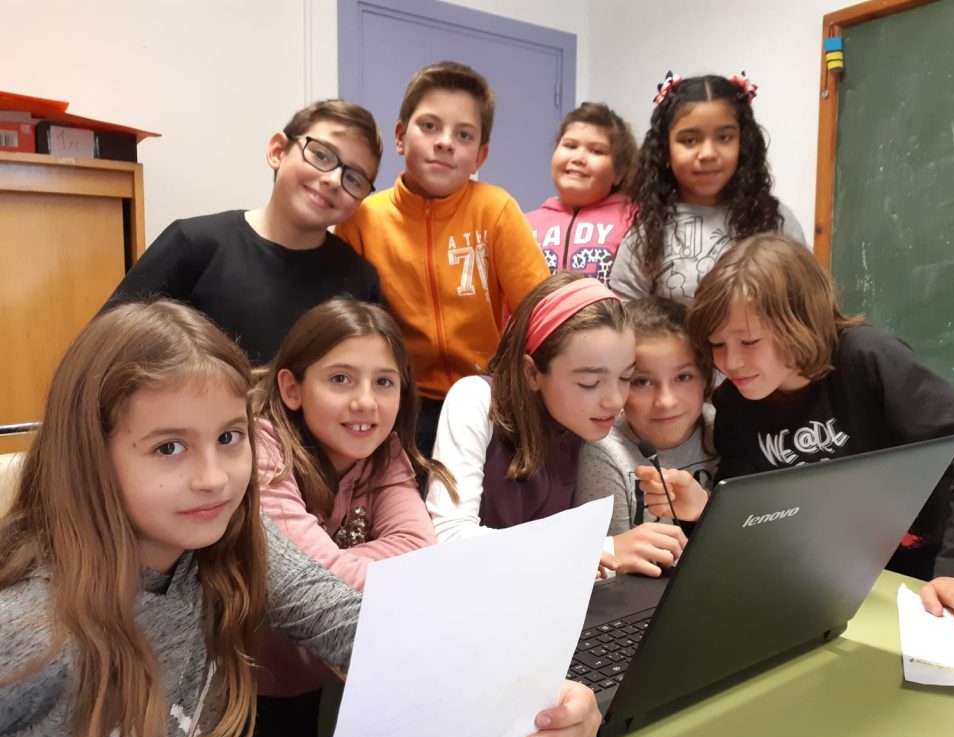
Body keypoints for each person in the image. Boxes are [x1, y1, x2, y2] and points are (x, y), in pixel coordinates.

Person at [0, 300, 603, 737]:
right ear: (90, 453)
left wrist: (539, 695)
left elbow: (356, 625)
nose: (214, 478)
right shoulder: (26, 629)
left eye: (229, 437)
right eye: (169, 447)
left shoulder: (239, 536)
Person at [670, 233, 954, 637]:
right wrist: (704, 512)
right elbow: (753, 510)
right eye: (716, 344)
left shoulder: (865, 358)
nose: (731, 361)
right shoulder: (734, 403)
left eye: (749, 341)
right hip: (859, 587)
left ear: (799, 323)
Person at [246, 297, 457, 737]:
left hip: (347, 677)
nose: (365, 401)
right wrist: (344, 563)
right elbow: (311, 583)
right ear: (292, 388)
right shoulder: (260, 448)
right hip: (253, 697)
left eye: (384, 382)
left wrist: (336, 562)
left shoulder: (385, 451)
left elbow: (421, 553)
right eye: (340, 379)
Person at [335, 61, 550, 456]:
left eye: (463, 134)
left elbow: (539, 311)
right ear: (400, 136)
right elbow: (347, 325)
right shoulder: (363, 219)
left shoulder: (496, 209)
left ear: (480, 155)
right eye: (430, 126)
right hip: (399, 400)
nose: (445, 142)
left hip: (487, 396)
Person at [426, 273, 706, 563]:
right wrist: (600, 549)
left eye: (626, 377)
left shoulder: (592, 423)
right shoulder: (476, 399)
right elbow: (449, 537)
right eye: (589, 383)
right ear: (532, 372)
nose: (615, 400)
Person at [104, 100, 384, 365]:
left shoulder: (360, 280)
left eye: (354, 178)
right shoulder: (193, 244)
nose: (333, 180)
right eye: (321, 155)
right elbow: (105, 348)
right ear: (278, 151)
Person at [609, 72, 804, 303]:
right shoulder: (647, 235)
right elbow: (625, 315)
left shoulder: (776, 221)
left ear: (743, 145)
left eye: (724, 137)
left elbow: (806, 301)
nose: (708, 153)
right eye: (689, 140)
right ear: (664, 151)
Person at [575, 297, 717, 576]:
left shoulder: (723, 429)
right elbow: (608, 569)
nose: (666, 401)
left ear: (706, 377)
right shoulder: (603, 450)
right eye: (642, 382)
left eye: (683, 377)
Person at [526, 102, 637, 285]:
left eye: (596, 151)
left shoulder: (635, 220)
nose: (578, 158)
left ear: (619, 172)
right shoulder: (524, 224)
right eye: (570, 146)